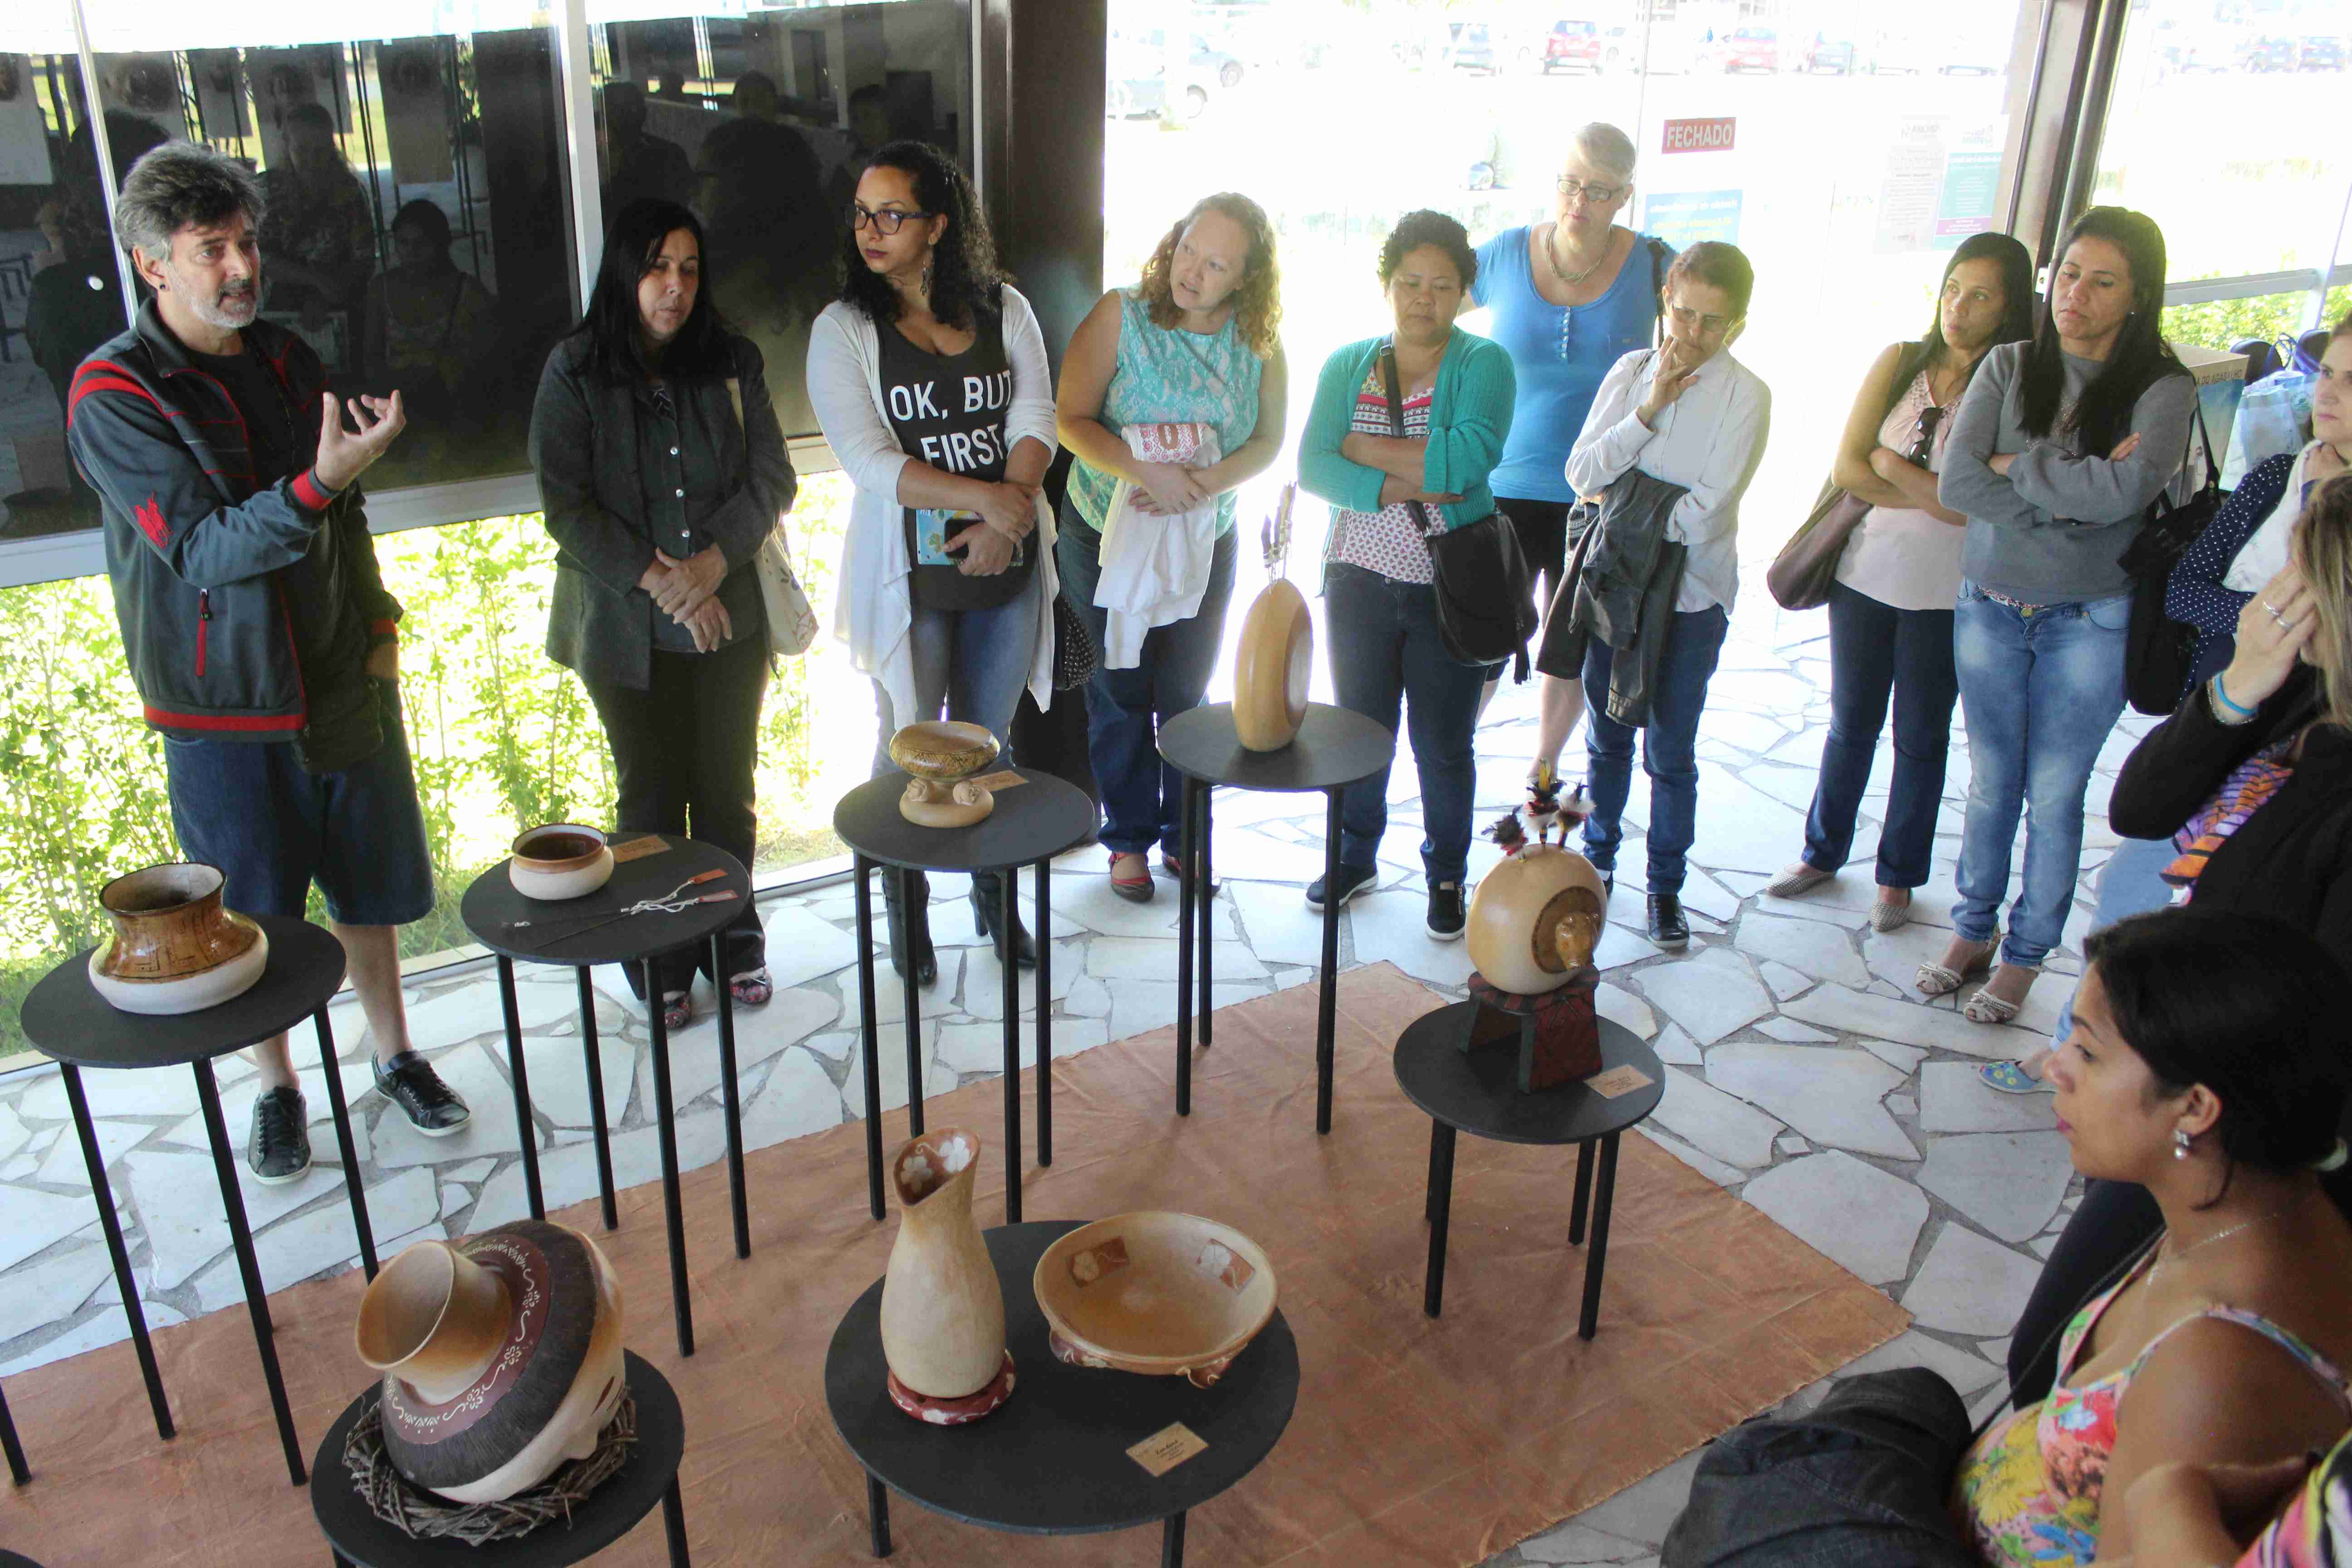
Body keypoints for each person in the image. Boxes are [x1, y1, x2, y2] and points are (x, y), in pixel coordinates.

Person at [1660, 907, 2352, 1568]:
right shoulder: (2240, 1207)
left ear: (2195, 1109)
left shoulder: (2215, 1376)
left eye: (2086, 1049)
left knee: (1750, 1481)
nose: (2056, 1067)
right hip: (1966, 1504)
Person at [67, 142, 469, 1182]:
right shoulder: (112, 390)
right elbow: (201, 549)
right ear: (154, 265)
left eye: (246, 241)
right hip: (221, 707)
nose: (241, 266)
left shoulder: (288, 359)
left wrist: (377, 627)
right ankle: (280, 1087)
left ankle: (395, 1056)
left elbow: (348, 511)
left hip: (342, 674)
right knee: (248, 916)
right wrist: (317, 486)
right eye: (212, 249)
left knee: (371, 890)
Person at [2005, 474, 2352, 1409]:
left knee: (2065, 1367)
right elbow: (2144, 803)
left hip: (2230, 1145)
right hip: (2179, 1122)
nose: (2277, 590)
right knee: (2063, 1347)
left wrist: (2188, 1124)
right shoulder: (2301, 704)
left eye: (2301, 574)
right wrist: (2239, 687)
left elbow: (2323, 1034)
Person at [529, 197, 796, 1031]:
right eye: (655, 268)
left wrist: (711, 565)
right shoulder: (573, 370)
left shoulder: (732, 362)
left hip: (730, 617)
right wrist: (667, 582)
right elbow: (565, 506)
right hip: (621, 627)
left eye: (686, 268)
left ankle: (732, 935)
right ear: (623, 274)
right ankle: (658, 953)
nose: (673, 287)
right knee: (650, 796)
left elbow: (771, 479)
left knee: (726, 792)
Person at [1927, 206, 2197, 1024]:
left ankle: (2023, 954)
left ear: (2136, 295)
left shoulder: (2163, 388)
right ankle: (1970, 929)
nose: (2074, 294)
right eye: (2067, 273)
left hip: (2091, 616)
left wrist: (2021, 467)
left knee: (2052, 792)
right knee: (1987, 785)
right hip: (1987, 602)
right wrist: (2071, 491)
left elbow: (2125, 496)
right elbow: (1955, 484)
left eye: (2100, 281)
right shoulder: (2010, 364)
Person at [807, 140, 1059, 977]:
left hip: (1005, 567)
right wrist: (983, 499)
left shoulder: (1004, 307)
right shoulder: (844, 329)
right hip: (908, 579)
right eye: (861, 213)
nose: (869, 230)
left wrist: (1007, 518)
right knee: (906, 747)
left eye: (892, 214)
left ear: (938, 225)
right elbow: (868, 459)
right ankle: (906, 914)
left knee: (993, 746)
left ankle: (995, 901)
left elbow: (1035, 420)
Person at [1767, 234, 2036, 931]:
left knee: (1921, 735)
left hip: (1946, 596)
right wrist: (1923, 489)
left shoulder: (2012, 384)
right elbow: (1849, 468)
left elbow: (1966, 505)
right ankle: (1823, 852)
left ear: (2009, 307)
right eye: (1953, 288)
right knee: (1849, 723)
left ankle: (1898, 875)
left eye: (1980, 295)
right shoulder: (1900, 362)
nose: (1959, 307)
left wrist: (1897, 468)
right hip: (1864, 576)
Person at [1054, 192, 1288, 902]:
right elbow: (1071, 420)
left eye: (1217, 263)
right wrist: (1142, 469)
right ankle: (1126, 840)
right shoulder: (1121, 314)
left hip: (1203, 538)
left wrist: (1204, 484)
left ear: (1246, 279)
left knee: (1187, 696)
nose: (1193, 270)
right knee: (1119, 689)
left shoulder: (1259, 341)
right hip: (1107, 532)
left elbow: (1269, 440)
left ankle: (1187, 838)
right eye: (1189, 248)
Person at [1296, 209, 1515, 939]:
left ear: (1464, 294)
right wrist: (1404, 476)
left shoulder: (1484, 364)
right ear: (1388, 284)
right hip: (1356, 577)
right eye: (1410, 282)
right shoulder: (1346, 362)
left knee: (1444, 742)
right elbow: (1314, 464)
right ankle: (1357, 855)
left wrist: (1364, 447)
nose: (1425, 298)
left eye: (1442, 285)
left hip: (1447, 583)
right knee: (1361, 730)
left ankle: (1446, 875)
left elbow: (1468, 463)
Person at [1545, 240, 1771, 947]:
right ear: (1665, 299)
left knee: (1671, 753)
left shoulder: (1747, 395)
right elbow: (1582, 473)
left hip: (1691, 599)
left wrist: (1627, 506)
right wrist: (1647, 410)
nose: (1692, 335)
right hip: (1615, 589)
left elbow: (1708, 513)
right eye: (1682, 313)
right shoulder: (1632, 372)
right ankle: (1599, 863)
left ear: (1737, 324)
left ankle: (1666, 887)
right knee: (1606, 742)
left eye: (1712, 322)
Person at [1471, 122, 1671, 756]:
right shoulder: (1504, 254)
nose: (1579, 203)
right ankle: (1454, 752)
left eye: (1599, 191)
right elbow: (1421, 310)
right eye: (1569, 185)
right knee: (1482, 640)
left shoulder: (1654, 265)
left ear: (1626, 196)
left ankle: (1545, 769)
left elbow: (1702, 335)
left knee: (1569, 650)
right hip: (1502, 485)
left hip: (1600, 491)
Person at [363, 200, 499, 428]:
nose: (412, 253)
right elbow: (371, 357)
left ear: (441, 244)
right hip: (394, 407)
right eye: (403, 243)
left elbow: (488, 361)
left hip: (453, 409)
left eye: (422, 244)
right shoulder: (381, 289)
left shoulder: (468, 292)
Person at [258, 102, 374, 339]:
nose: (312, 160)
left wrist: (324, 296)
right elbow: (261, 257)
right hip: (282, 305)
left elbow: (364, 259)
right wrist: (316, 282)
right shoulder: (266, 190)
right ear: (287, 147)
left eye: (320, 151)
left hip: (339, 299)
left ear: (332, 148)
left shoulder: (349, 193)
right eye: (302, 150)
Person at [599, 82, 694, 216]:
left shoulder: (668, 155)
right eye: (623, 108)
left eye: (637, 106)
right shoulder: (589, 157)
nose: (634, 112)